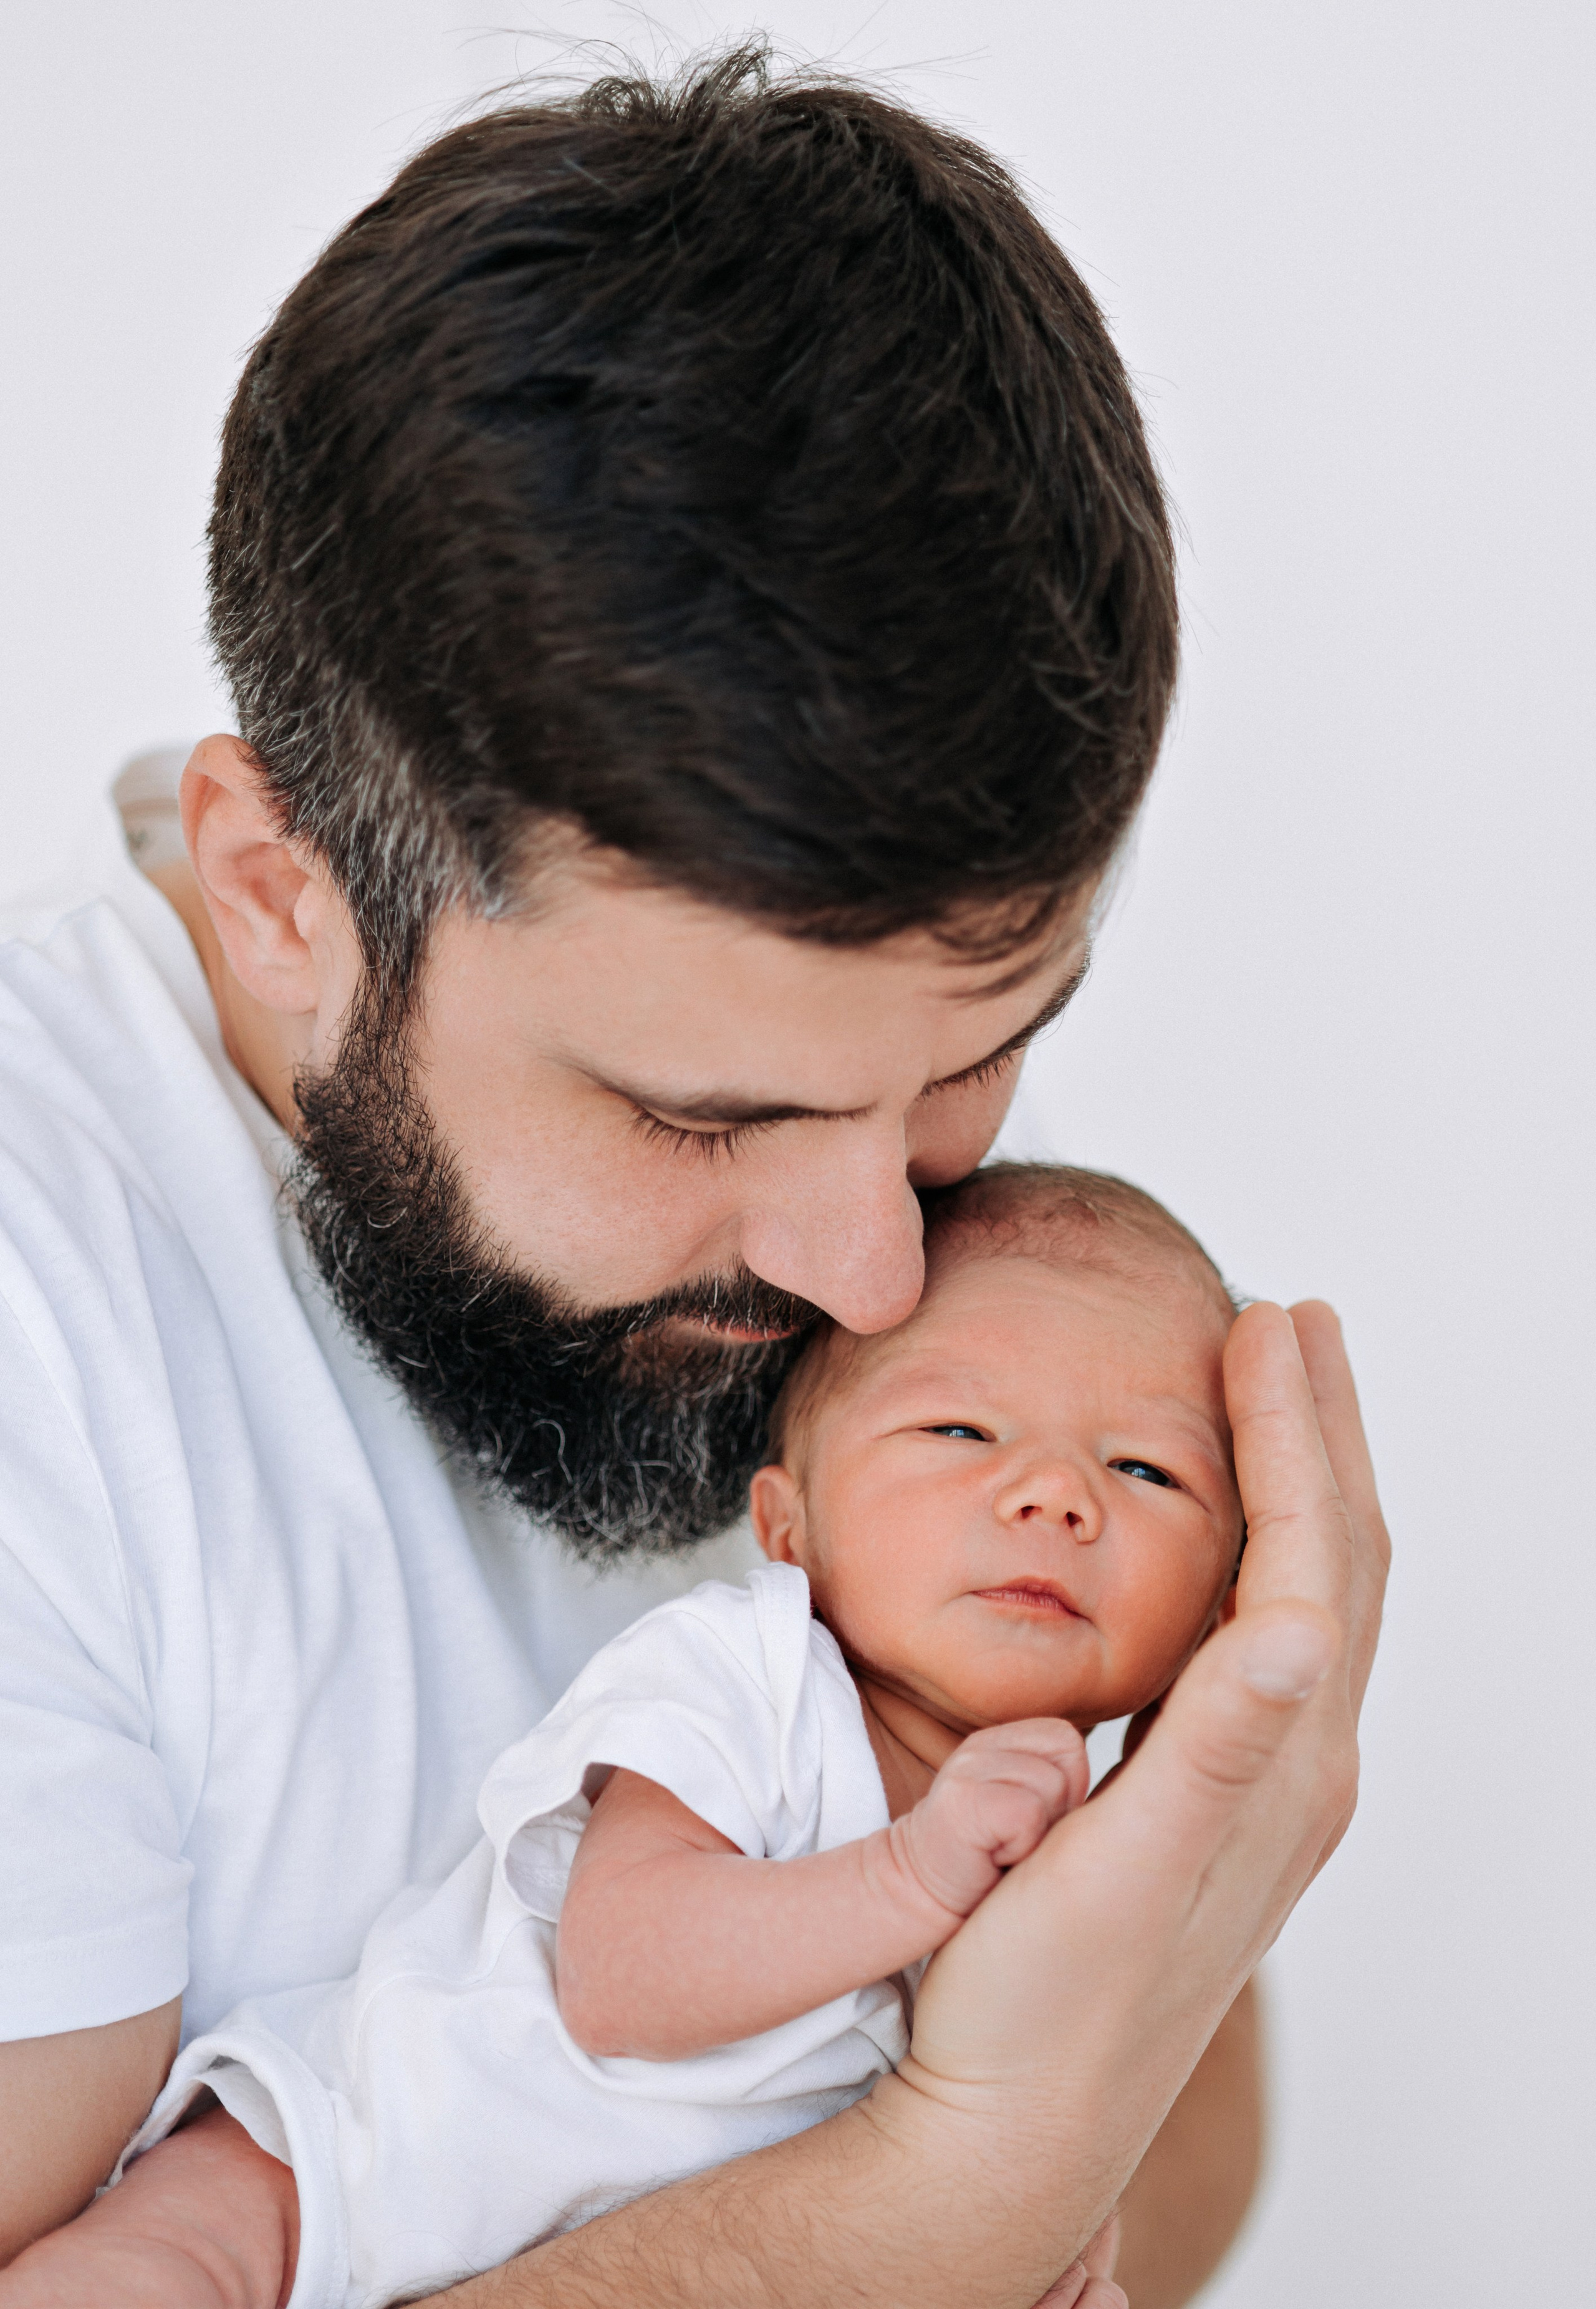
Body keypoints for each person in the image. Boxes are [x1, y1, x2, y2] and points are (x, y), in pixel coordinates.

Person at [0, 50, 1387, 2309]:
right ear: (280, 894)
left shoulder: (893, 1233)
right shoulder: (42, 1344)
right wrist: (921, 2215)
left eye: (976, 1061)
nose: (872, 1264)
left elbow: (1197, 2112)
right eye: (700, 1120)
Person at [11, 1164, 1246, 2309]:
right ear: (788, 1521)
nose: (1053, 1493)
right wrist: (910, 1874)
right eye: (959, 1433)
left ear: (1216, 1605)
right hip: (339, 2172)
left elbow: (1038, 2124)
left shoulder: (1092, 1846)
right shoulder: (743, 1675)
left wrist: (1040, 2240)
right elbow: (620, 1976)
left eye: (1145, 1470)